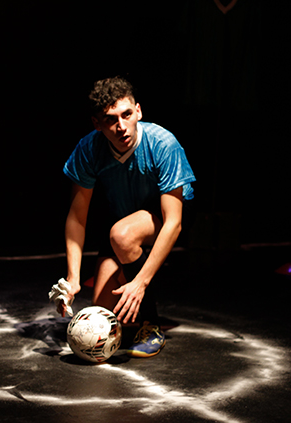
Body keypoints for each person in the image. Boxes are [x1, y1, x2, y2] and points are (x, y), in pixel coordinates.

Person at [57, 76, 196, 358]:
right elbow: (76, 219)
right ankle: (128, 279)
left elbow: (174, 223)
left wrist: (140, 283)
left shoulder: (162, 143)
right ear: (97, 124)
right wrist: (73, 278)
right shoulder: (89, 149)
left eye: (127, 114)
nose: (121, 126)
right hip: (121, 227)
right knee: (101, 315)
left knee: (123, 235)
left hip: (164, 222)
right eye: (110, 120)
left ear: (139, 111)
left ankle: (151, 323)